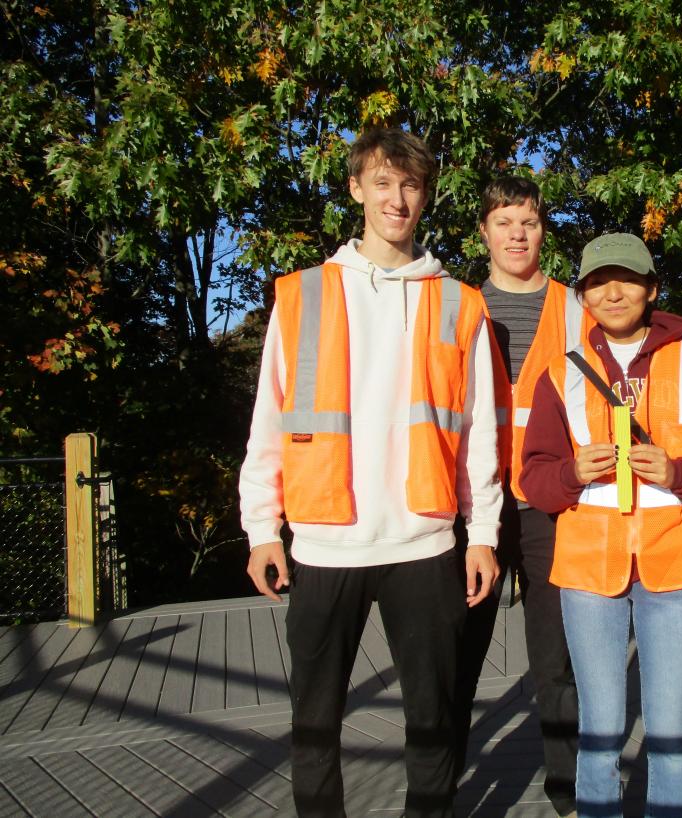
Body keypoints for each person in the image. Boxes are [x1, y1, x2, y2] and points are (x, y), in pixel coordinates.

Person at [239, 128, 503, 818]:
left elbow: (480, 434)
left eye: (411, 184)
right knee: (314, 725)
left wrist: (483, 535)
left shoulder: (460, 301)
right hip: (326, 545)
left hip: (425, 544)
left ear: (425, 196)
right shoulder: (302, 295)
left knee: (433, 721)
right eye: (382, 183)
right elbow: (269, 417)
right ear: (355, 189)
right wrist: (261, 528)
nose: (398, 198)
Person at [520, 233, 682, 818]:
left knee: (668, 725)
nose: (612, 292)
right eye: (596, 282)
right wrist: (569, 472)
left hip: (673, 565)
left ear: (651, 289)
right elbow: (533, 479)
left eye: (626, 280)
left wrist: (681, 472)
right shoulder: (559, 370)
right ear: (584, 295)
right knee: (599, 722)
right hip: (589, 569)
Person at [452, 176, 584, 817]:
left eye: (527, 222)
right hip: (471, 506)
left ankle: (568, 788)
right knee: (457, 654)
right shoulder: (456, 307)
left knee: (555, 657)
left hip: (550, 503)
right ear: (484, 232)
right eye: (503, 222)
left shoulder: (576, 308)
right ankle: (440, 784)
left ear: (542, 230)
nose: (516, 234)